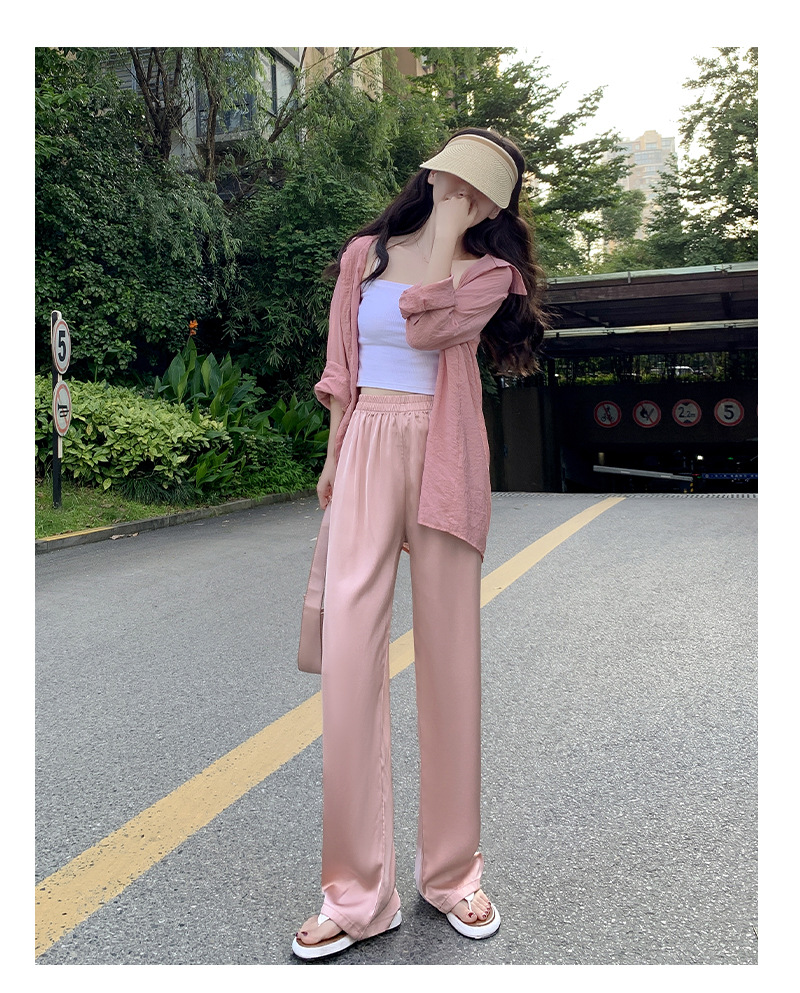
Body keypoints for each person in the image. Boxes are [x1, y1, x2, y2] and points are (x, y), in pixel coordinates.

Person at [292, 128, 547, 960]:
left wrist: (447, 236)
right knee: (349, 662)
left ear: (494, 205)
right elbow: (342, 367)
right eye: (454, 180)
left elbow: (430, 328)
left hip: (447, 455)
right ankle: (356, 894)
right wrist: (334, 457)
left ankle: (452, 874)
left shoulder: (490, 273)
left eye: (480, 191)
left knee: (450, 666)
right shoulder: (362, 256)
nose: (462, 194)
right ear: (432, 174)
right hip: (367, 444)